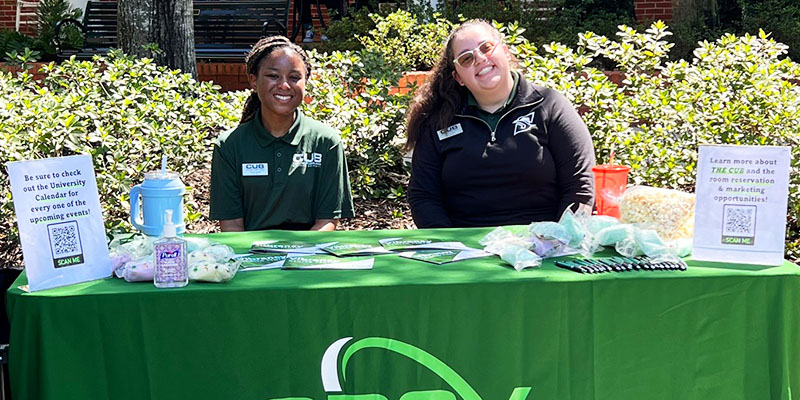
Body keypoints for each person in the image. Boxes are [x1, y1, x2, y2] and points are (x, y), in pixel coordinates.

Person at [405, 20, 596, 228]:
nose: (479, 58)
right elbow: (423, 196)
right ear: (458, 77)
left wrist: (561, 240)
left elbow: (580, 186)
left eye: (486, 47)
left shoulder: (550, 105)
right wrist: (453, 249)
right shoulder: (439, 122)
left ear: (504, 51)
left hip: (543, 246)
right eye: (466, 58)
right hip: (467, 250)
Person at [210, 36, 354, 232]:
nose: (284, 85)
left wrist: (299, 256)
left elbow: (326, 222)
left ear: (306, 83)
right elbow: (232, 225)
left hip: (308, 254)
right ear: (253, 80)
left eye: (294, 77)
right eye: (273, 76)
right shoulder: (229, 146)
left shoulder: (327, 142)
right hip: (251, 257)